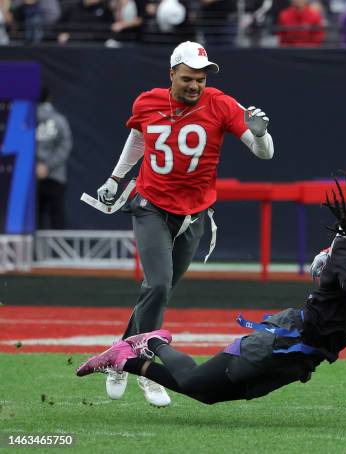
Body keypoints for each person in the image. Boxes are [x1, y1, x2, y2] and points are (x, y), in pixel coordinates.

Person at [77, 186, 346, 406]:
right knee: (194, 383)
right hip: (285, 340)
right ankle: (149, 343)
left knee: (207, 394)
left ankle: (129, 354)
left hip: (304, 357)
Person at [95, 40, 274, 407]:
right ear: (172, 74)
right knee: (157, 285)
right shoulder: (148, 101)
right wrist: (116, 178)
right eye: (189, 78)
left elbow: (264, 153)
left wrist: (260, 133)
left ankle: (120, 353)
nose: (195, 85)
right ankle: (142, 367)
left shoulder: (221, 103)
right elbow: (139, 137)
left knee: (157, 292)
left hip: (192, 215)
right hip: (150, 203)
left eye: (201, 79)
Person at [36, 86, 73, 230]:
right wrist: (48, 166)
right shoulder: (59, 120)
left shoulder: (26, 121)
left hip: (34, 178)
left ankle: (34, 253)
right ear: (49, 98)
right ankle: (56, 253)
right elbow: (65, 146)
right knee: (57, 219)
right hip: (56, 177)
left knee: (33, 222)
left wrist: (37, 166)